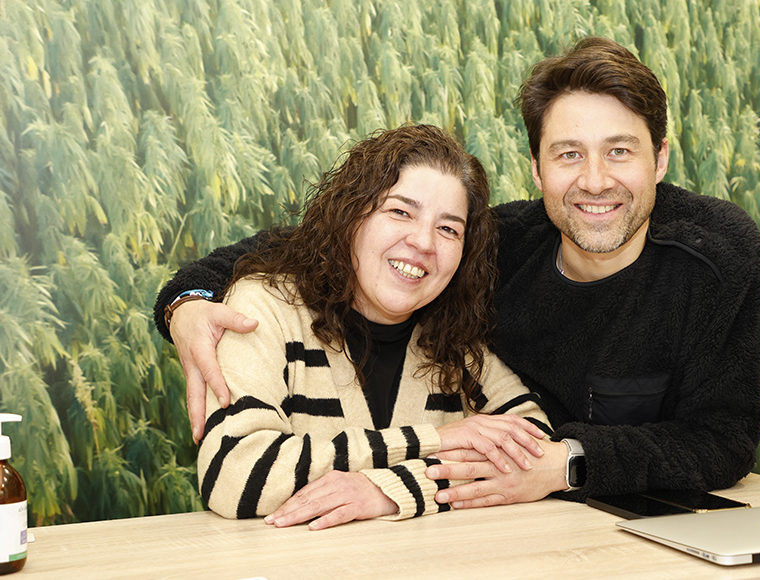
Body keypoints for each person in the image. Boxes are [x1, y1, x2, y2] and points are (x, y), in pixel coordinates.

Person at [155, 37, 760, 510]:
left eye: (619, 151)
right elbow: (302, 246)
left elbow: (720, 440)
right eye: (568, 154)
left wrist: (564, 462)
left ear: (660, 158)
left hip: (623, 527)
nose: (594, 180)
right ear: (536, 169)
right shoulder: (497, 246)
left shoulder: (719, 256)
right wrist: (187, 300)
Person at [191, 124, 558, 530]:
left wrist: (386, 490)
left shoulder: (454, 338)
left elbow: (536, 452)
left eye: (448, 229)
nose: (423, 242)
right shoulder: (264, 307)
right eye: (400, 212)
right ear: (351, 214)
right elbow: (236, 474)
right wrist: (438, 440)